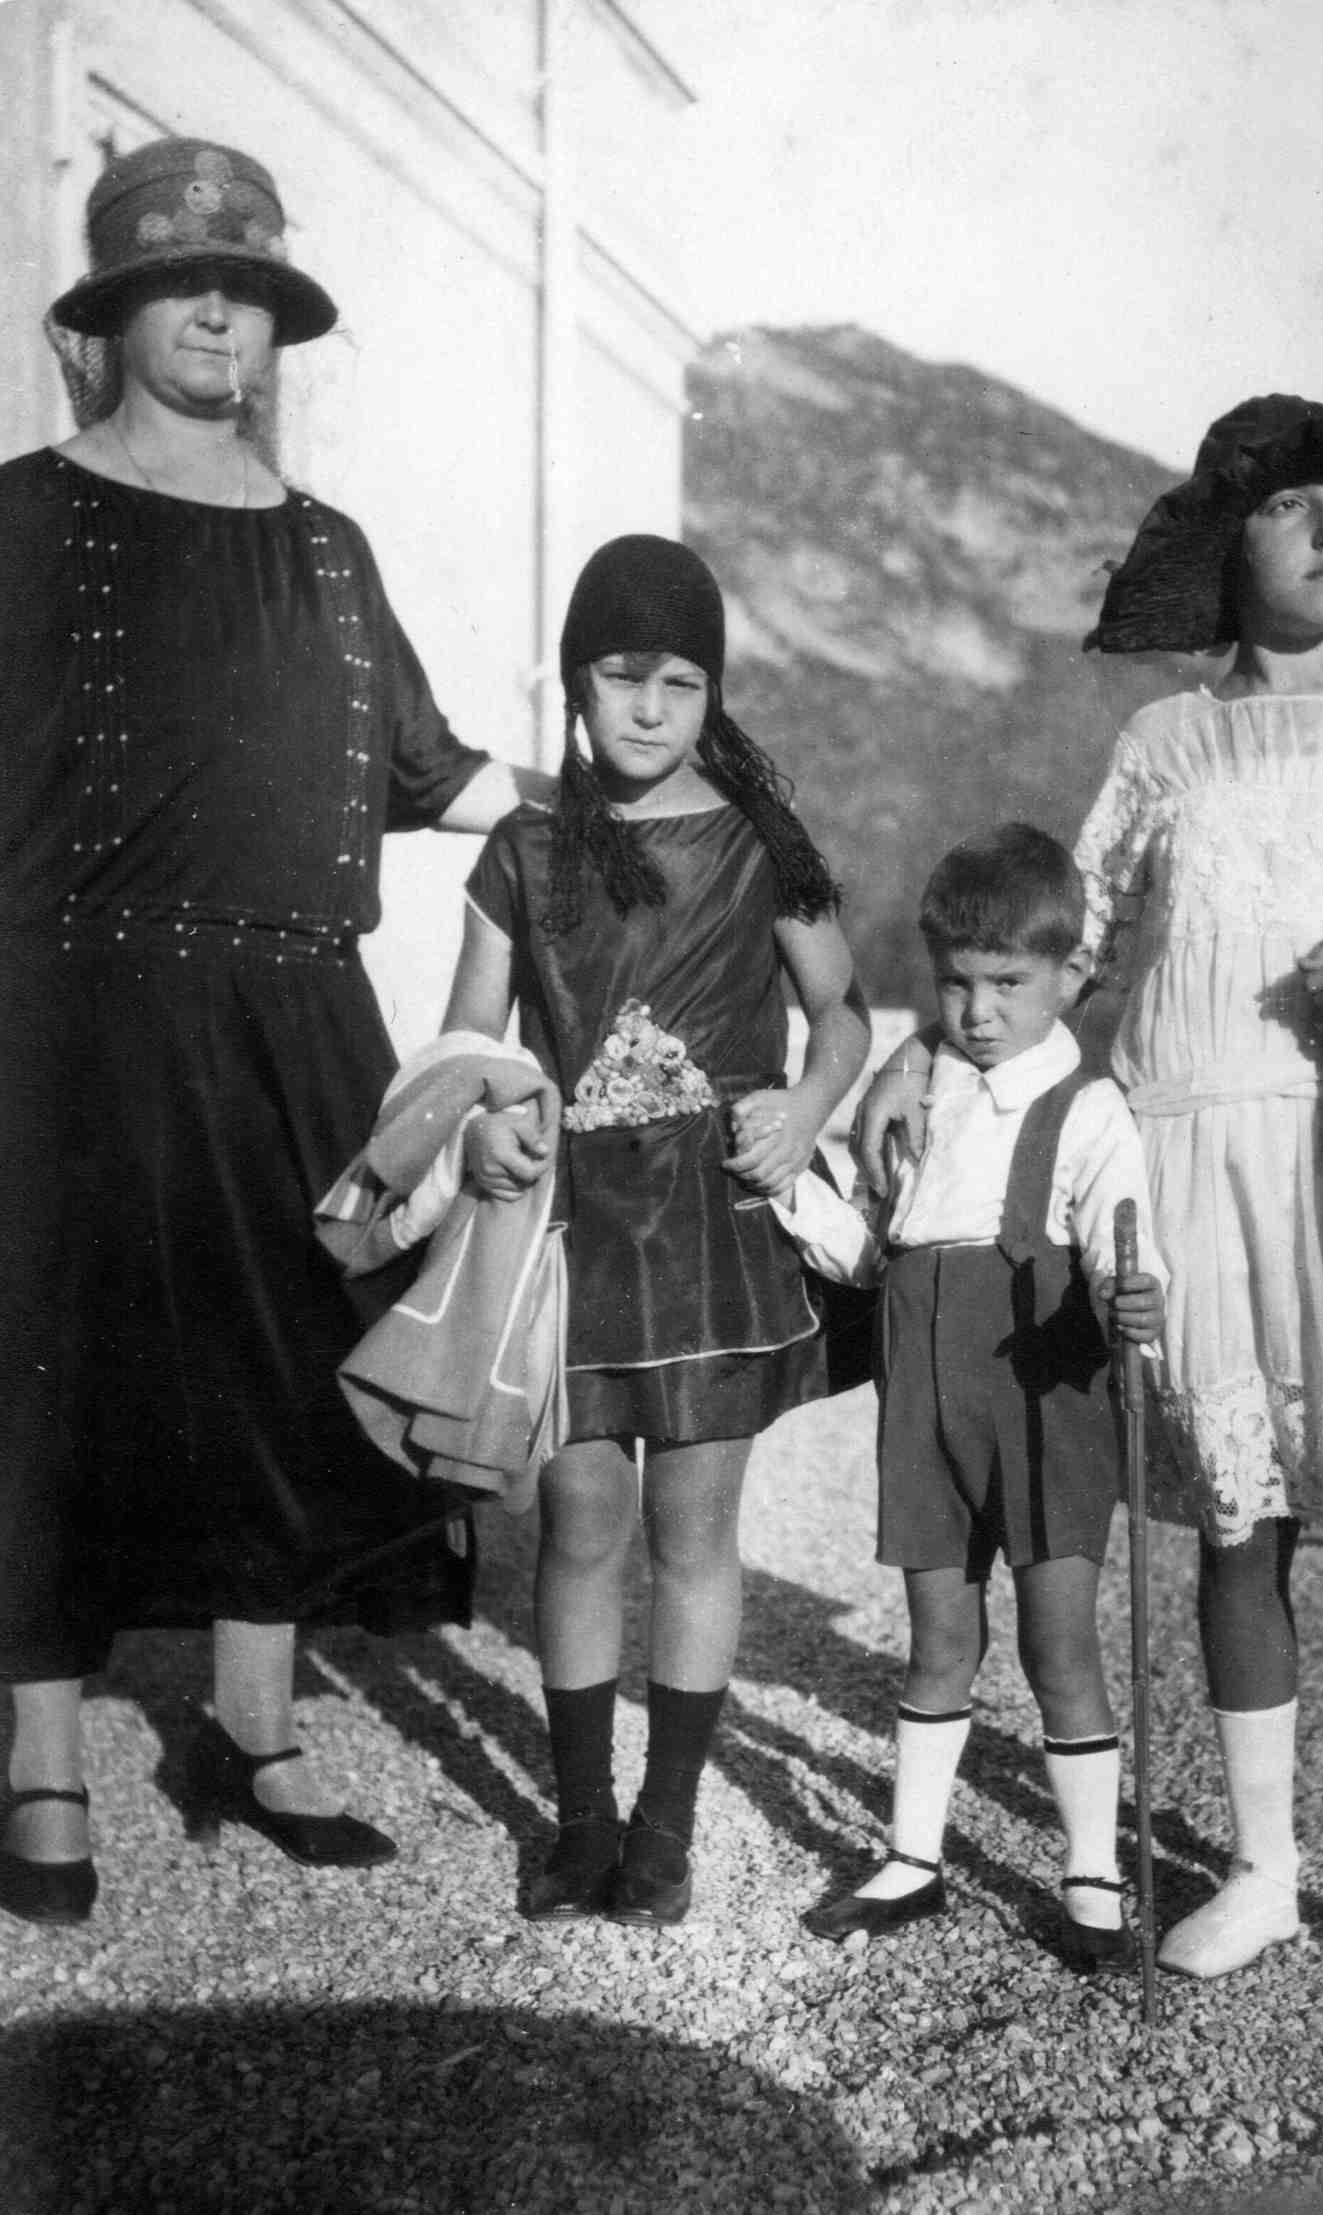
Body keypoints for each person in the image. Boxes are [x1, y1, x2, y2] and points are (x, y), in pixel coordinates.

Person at [858, 396, 1323, 2011]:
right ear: (1229, 547)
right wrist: (930, 1050)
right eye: (1287, 506)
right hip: (1194, 1165)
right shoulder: (1165, 746)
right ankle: (1263, 1873)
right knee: (1240, 1532)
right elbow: (1078, 946)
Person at [0, 136, 543, 1926]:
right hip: (68, 1012)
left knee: (292, 1358)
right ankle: (46, 1761)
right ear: (114, 317)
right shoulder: (19, 518)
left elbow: (437, 774)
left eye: (248, 287)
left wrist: (645, 814)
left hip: (291, 1005)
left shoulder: (327, 548)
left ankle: (251, 1720)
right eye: (180, 283)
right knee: (48, 1372)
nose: (219, 310)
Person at [439, 532, 870, 1926]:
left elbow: (845, 1009)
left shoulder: (761, 844)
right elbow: (467, 1038)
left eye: (680, 683)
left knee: (695, 1523)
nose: (648, 709)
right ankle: (578, 1821)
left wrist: (807, 1105)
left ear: (711, 694)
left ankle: (666, 1827)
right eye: (621, 678)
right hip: (569, 1231)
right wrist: (482, 1115)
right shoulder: (525, 847)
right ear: (575, 684)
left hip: (710, 1231)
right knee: (575, 1513)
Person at [770, 824, 1164, 1963]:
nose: (979, 1008)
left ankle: (1090, 1872)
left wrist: (1131, 1292)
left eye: (1008, 982)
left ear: (1064, 978)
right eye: (956, 982)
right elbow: (868, 1255)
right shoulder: (920, 1101)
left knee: (1058, 1643)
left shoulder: (1085, 1110)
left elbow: (1116, 1246)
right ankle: (912, 1855)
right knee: (938, 1634)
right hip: (925, 1399)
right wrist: (789, 1181)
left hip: (1043, 1396)